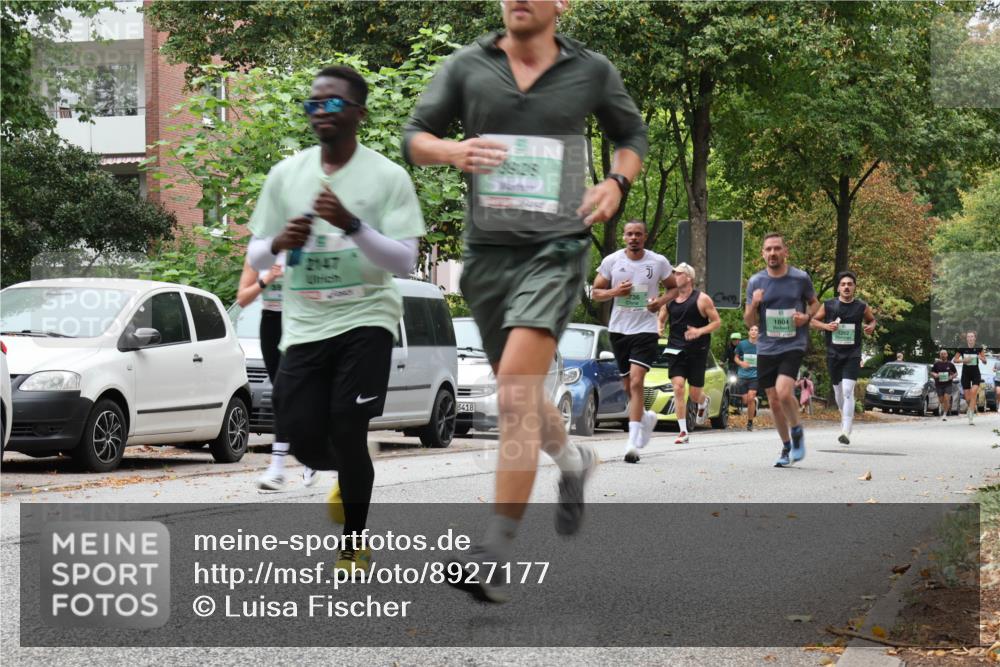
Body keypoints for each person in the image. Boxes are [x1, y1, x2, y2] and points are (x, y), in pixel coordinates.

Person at [403, 0, 647, 603]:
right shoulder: (467, 66)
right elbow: (415, 135)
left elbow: (631, 134)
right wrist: (451, 152)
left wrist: (617, 182)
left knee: (513, 386)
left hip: (557, 250)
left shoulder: (591, 70)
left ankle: (492, 547)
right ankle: (571, 461)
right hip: (487, 258)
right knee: (523, 389)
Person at [247, 65, 425, 576]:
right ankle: (348, 471)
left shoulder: (388, 177)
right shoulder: (287, 175)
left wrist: (350, 223)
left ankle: (353, 542)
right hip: (304, 323)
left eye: (331, 103)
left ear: (357, 113)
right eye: (312, 104)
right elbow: (258, 257)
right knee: (301, 435)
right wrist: (281, 243)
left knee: (349, 426)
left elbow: (403, 262)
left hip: (367, 316)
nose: (319, 112)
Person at [592, 220, 677, 464]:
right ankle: (647, 419)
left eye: (638, 234)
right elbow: (594, 292)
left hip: (646, 329)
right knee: (629, 388)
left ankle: (632, 444)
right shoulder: (612, 261)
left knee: (638, 382)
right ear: (623, 237)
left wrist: (659, 303)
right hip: (619, 330)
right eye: (629, 234)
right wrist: (614, 293)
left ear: (645, 237)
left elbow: (673, 288)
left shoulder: (658, 262)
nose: (633, 238)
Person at [235, 257, 317, 490]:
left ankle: (278, 467)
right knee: (286, 396)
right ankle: (309, 454)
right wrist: (267, 278)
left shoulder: (303, 245)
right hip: (271, 322)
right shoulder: (259, 251)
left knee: (283, 392)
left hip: (299, 321)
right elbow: (242, 298)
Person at [744, 232, 820, 468]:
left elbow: (816, 305)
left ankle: (796, 431)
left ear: (785, 252)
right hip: (767, 346)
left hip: (792, 344)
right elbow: (749, 321)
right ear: (763, 253)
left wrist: (806, 318)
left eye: (777, 248)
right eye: (768, 249)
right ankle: (787, 446)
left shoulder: (800, 278)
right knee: (773, 401)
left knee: (784, 391)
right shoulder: (756, 282)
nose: (773, 253)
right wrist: (755, 304)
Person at [809, 270, 877, 445]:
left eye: (850, 284)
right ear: (838, 288)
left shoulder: (861, 306)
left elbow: (872, 320)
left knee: (848, 390)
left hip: (852, 354)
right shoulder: (829, 305)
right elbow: (813, 321)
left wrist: (871, 327)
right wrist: (826, 326)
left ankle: (846, 430)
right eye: (843, 284)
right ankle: (844, 418)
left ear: (854, 287)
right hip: (834, 354)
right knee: (839, 391)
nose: (846, 287)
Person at [661, 262, 722, 444]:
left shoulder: (702, 299)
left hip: (697, 351)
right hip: (675, 349)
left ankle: (703, 401)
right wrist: (659, 327)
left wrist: (699, 331)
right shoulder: (669, 299)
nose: (674, 276)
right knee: (678, 387)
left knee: (695, 395)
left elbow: (716, 322)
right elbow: (661, 317)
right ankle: (683, 431)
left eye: (678, 274)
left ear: (688, 278)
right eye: (673, 274)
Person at [953, 331, 987, 425]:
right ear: (966, 338)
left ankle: (971, 416)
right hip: (966, 374)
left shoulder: (979, 348)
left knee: (973, 392)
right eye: (969, 336)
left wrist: (981, 358)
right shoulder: (962, 348)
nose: (970, 338)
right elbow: (955, 360)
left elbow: (985, 361)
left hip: (976, 373)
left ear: (975, 338)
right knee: (968, 398)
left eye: (972, 336)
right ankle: (971, 407)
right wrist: (964, 360)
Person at [734, 325, 759, 431]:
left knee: (750, 397)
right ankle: (754, 402)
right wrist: (741, 363)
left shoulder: (762, 345)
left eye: (756, 330)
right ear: (749, 332)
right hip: (742, 376)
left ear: (758, 333)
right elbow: (735, 358)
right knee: (745, 401)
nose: (753, 332)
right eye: (751, 330)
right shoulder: (742, 344)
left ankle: (750, 423)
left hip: (755, 375)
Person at [931, 349, 957, 421]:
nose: (943, 355)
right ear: (940, 355)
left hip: (948, 384)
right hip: (939, 384)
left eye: (944, 354)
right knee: (941, 400)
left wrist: (951, 377)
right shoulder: (936, 364)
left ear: (947, 355)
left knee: (946, 398)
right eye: (941, 354)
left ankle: (945, 414)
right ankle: (944, 408)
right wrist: (935, 375)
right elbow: (932, 372)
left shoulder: (950, 364)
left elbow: (955, 373)